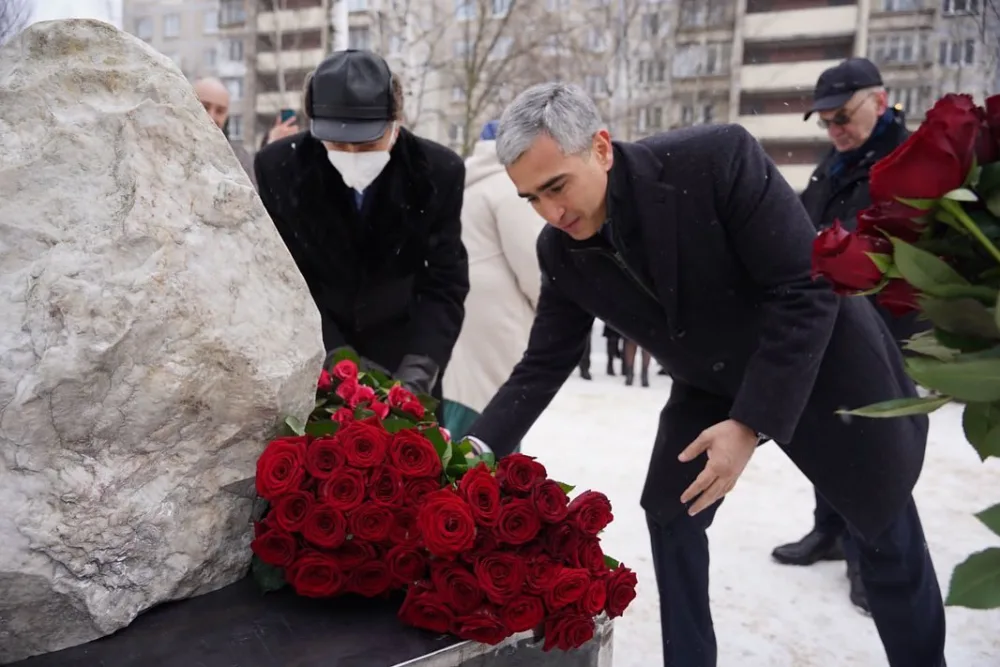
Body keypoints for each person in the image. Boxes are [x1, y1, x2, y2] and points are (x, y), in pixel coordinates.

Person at [464, 82, 945, 667]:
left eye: (557, 187)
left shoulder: (716, 160)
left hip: (823, 360)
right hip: (711, 381)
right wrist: (476, 445)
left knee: (887, 536)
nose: (551, 213)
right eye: (531, 198)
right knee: (671, 511)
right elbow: (543, 362)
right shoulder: (560, 253)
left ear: (600, 147)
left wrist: (749, 422)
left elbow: (805, 287)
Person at [771, 57, 928, 615]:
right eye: (825, 120)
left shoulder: (910, 164)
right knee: (828, 434)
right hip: (833, 326)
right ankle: (830, 531)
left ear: (880, 103)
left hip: (888, 333)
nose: (834, 129)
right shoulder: (832, 167)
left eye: (843, 115)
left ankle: (875, 560)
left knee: (877, 448)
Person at [253, 49, 469, 404]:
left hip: (405, 358)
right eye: (337, 143)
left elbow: (444, 282)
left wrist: (419, 369)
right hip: (314, 362)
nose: (352, 153)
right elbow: (284, 281)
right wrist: (339, 360)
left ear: (395, 121)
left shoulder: (439, 171)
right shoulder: (279, 168)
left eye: (368, 143)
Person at [441, 120, 545, 440]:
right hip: (494, 349)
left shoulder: (466, 185)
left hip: (459, 345)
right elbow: (540, 275)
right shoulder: (510, 189)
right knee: (486, 461)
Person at [193, 77, 256, 187]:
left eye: (220, 111)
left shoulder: (239, 159)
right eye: (205, 107)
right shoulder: (165, 147)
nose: (211, 116)